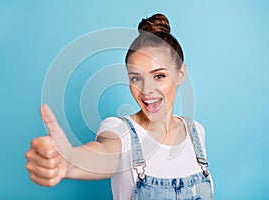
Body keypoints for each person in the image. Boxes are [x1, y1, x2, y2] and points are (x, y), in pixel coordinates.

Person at [25, 13, 213, 199]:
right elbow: (105, 155)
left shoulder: (196, 132)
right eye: (136, 78)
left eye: (159, 76)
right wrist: (70, 161)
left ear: (181, 74)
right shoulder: (120, 131)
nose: (147, 90)